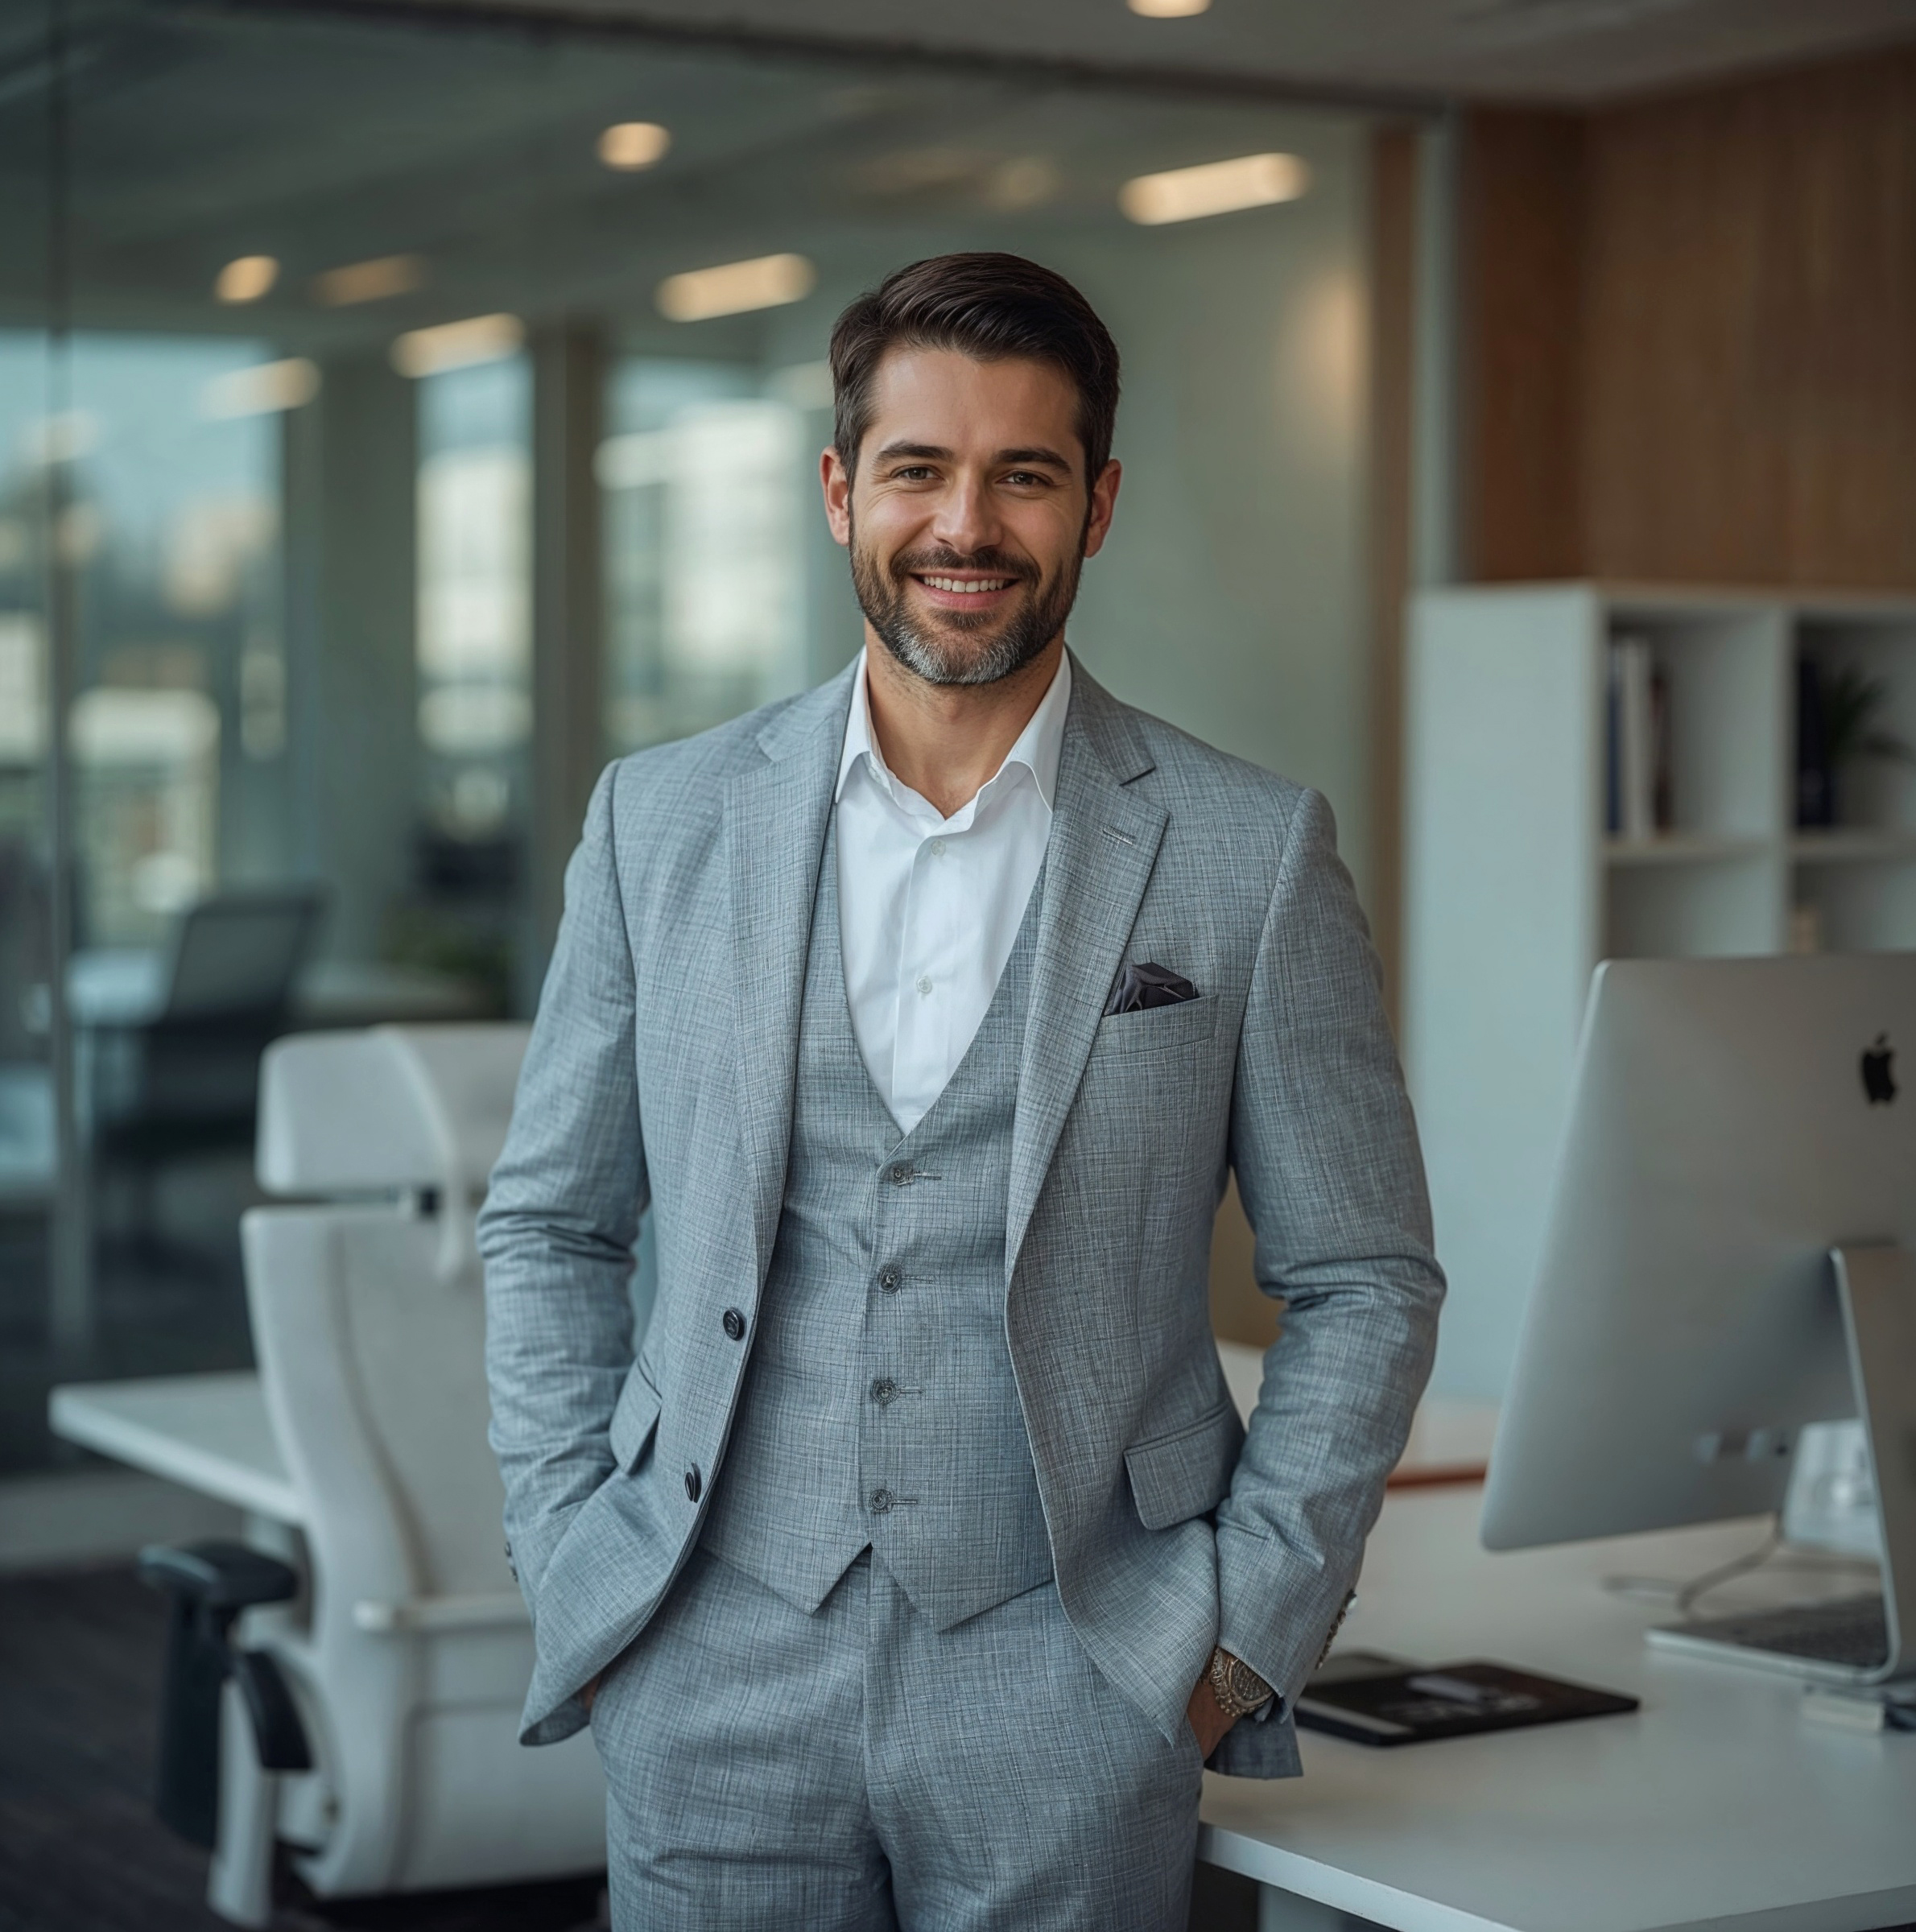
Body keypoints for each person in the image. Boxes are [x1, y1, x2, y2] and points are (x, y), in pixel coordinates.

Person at [481, 251, 1443, 1931]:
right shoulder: (663, 821)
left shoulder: (1248, 853)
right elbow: (553, 1221)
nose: (966, 526)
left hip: (1076, 1681)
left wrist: (1234, 1645)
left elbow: (1363, 1278)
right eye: (919, 469)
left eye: (1025, 474)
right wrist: (579, 1554)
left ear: (1100, 504)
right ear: (842, 490)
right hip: (711, 1663)